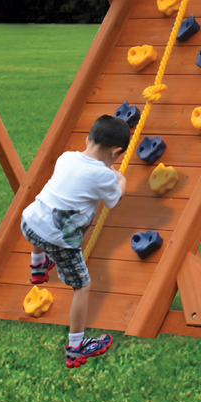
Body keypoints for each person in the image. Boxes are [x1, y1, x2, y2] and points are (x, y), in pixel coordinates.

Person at [19, 114, 131, 369]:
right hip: (59, 240)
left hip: (29, 223)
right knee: (82, 285)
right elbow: (114, 200)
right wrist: (121, 180)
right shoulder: (104, 177)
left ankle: (38, 266)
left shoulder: (67, 157)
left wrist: (106, 169)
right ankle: (76, 346)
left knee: (49, 214)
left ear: (88, 138)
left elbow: (86, 173)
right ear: (116, 152)